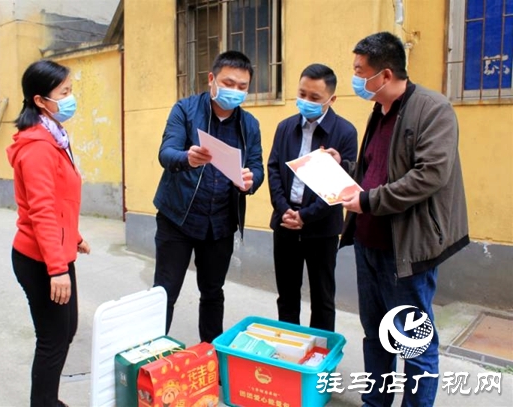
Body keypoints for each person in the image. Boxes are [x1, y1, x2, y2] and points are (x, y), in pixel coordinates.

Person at [326, 32, 469, 406]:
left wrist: (367, 199)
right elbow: (377, 171)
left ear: (385, 74)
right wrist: (343, 167)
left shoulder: (433, 110)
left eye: (360, 71)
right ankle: (376, 403)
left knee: (414, 345)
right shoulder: (380, 111)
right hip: (368, 245)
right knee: (375, 335)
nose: (356, 78)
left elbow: (429, 174)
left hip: (404, 251)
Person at [153, 50, 264, 343]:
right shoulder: (185, 110)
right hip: (178, 217)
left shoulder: (249, 124)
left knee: (213, 293)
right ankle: (151, 354)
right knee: (164, 292)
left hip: (220, 224)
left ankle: (210, 353)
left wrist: (250, 181)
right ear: (212, 79)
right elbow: (166, 153)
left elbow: (257, 167)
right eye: (228, 83)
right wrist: (187, 158)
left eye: (242, 86)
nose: (235, 91)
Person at [7, 59, 91, 407]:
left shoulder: (53, 136)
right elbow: (41, 211)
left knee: (66, 329)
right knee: (53, 339)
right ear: (41, 100)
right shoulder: (39, 147)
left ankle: (48, 401)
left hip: (57, 249)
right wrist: (57, 269)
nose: (70, 99)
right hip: (40, 259)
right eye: (64, 92)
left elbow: (59, 201)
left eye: (70, 90)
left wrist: (74, 236)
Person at [267, 63, 357, 332]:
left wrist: (305, 216)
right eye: (302, 94)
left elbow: (338, 187)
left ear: (331, 99)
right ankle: (289, 346)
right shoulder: (285, 127)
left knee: (322, 298)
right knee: (286, 295)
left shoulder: (345, 132)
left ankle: (321, 352)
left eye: (315, 97)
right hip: (285, 223)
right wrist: (283, 209)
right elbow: (273, 169)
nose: (306, 101)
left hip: (321, 229)